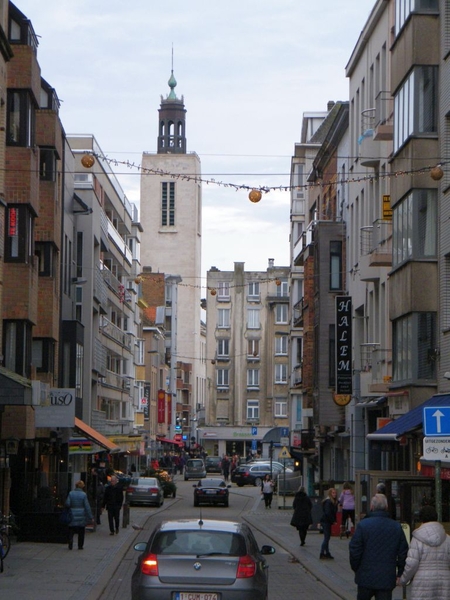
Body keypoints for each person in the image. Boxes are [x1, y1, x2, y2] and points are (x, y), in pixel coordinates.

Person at [349, 494, 408, 600]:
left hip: (365, 577)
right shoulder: (396, 527)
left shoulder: (363, 525)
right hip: (386, 578)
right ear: (386, 507)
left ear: (371, 507)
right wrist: (400, 573)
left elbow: (354, 550)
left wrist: (356, 568)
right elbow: (403, 552)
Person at [399, 505, 450, 599]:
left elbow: (412, 563)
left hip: (422, 583)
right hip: (444, 582)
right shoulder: (447, 538)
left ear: (421, 519)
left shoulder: (417, 538)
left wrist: (403, 580)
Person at [65, 480, 93, 550]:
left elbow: (67, 503)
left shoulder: (71, 493)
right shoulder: (83, 495)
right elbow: (87, 506)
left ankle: (70, 541)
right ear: (82, 487)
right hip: (81, 515)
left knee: (71, 529)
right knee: (81, 531)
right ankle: (80, 545)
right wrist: (90, 517)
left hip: (72, 514)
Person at [319, 488, 338, 559]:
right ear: (330, 494)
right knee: (326, 538)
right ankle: (322, 552)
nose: (335, 494)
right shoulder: (328, 502)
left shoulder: (331, 502)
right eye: (333, 493)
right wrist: (333, 520)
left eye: (335, 493)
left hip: (327, 521)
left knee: (327, 537)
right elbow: (328, 513)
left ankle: (327, 552)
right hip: (326, 521)